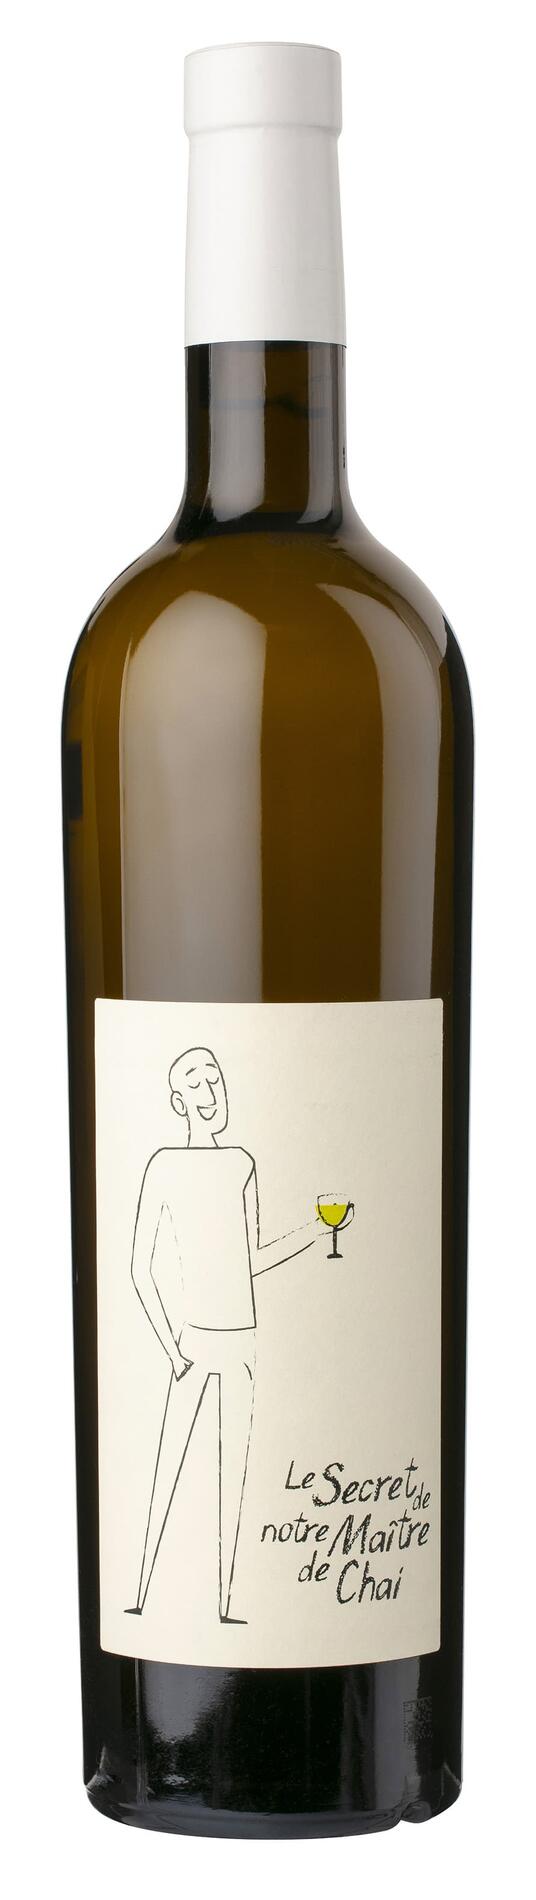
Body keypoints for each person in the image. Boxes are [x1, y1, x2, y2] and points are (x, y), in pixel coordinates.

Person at [126, 1046, 325, 1624]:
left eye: (216, 1077)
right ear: (177, 1100)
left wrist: (314, 1232)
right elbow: (138, 1268)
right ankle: (139, 1596)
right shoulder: (163, 1165)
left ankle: (227, 1608)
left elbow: (251, 1259)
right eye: (197, 1081)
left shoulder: (242, 1163)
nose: (212, 1090)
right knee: (166, 1468)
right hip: (192, 1342)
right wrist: (171, 1351)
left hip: (242, 1343)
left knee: (233, 1476)